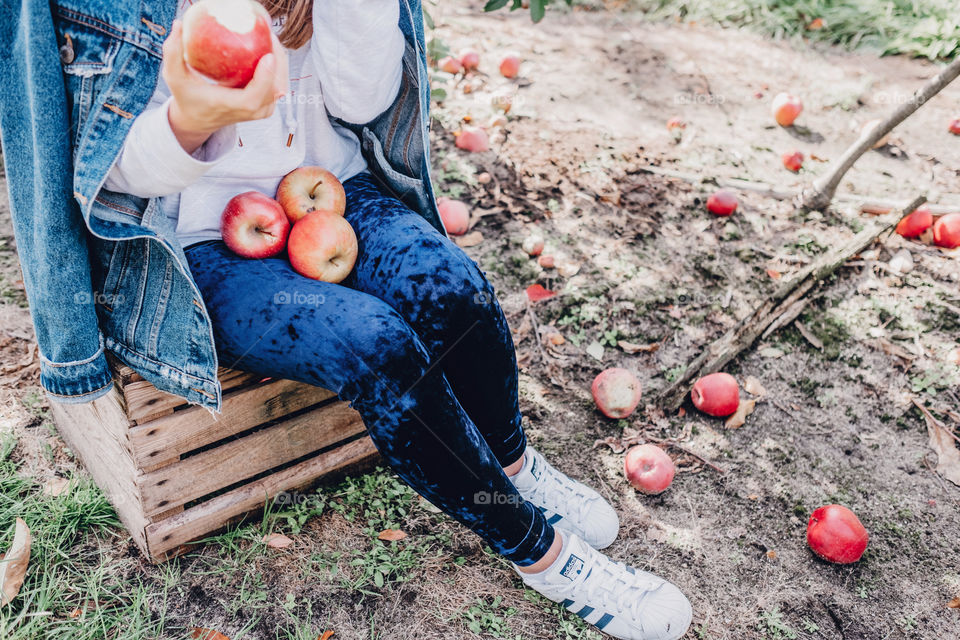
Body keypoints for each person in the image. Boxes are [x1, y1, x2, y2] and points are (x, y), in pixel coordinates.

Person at [1, 0, 691, 637]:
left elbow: (366, 100)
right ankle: (540, 553)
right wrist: (192, 122)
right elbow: (102, 173)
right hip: (202, 240)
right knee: (374, 345)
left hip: (335, 189)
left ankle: (511, 464)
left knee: (455, 289)